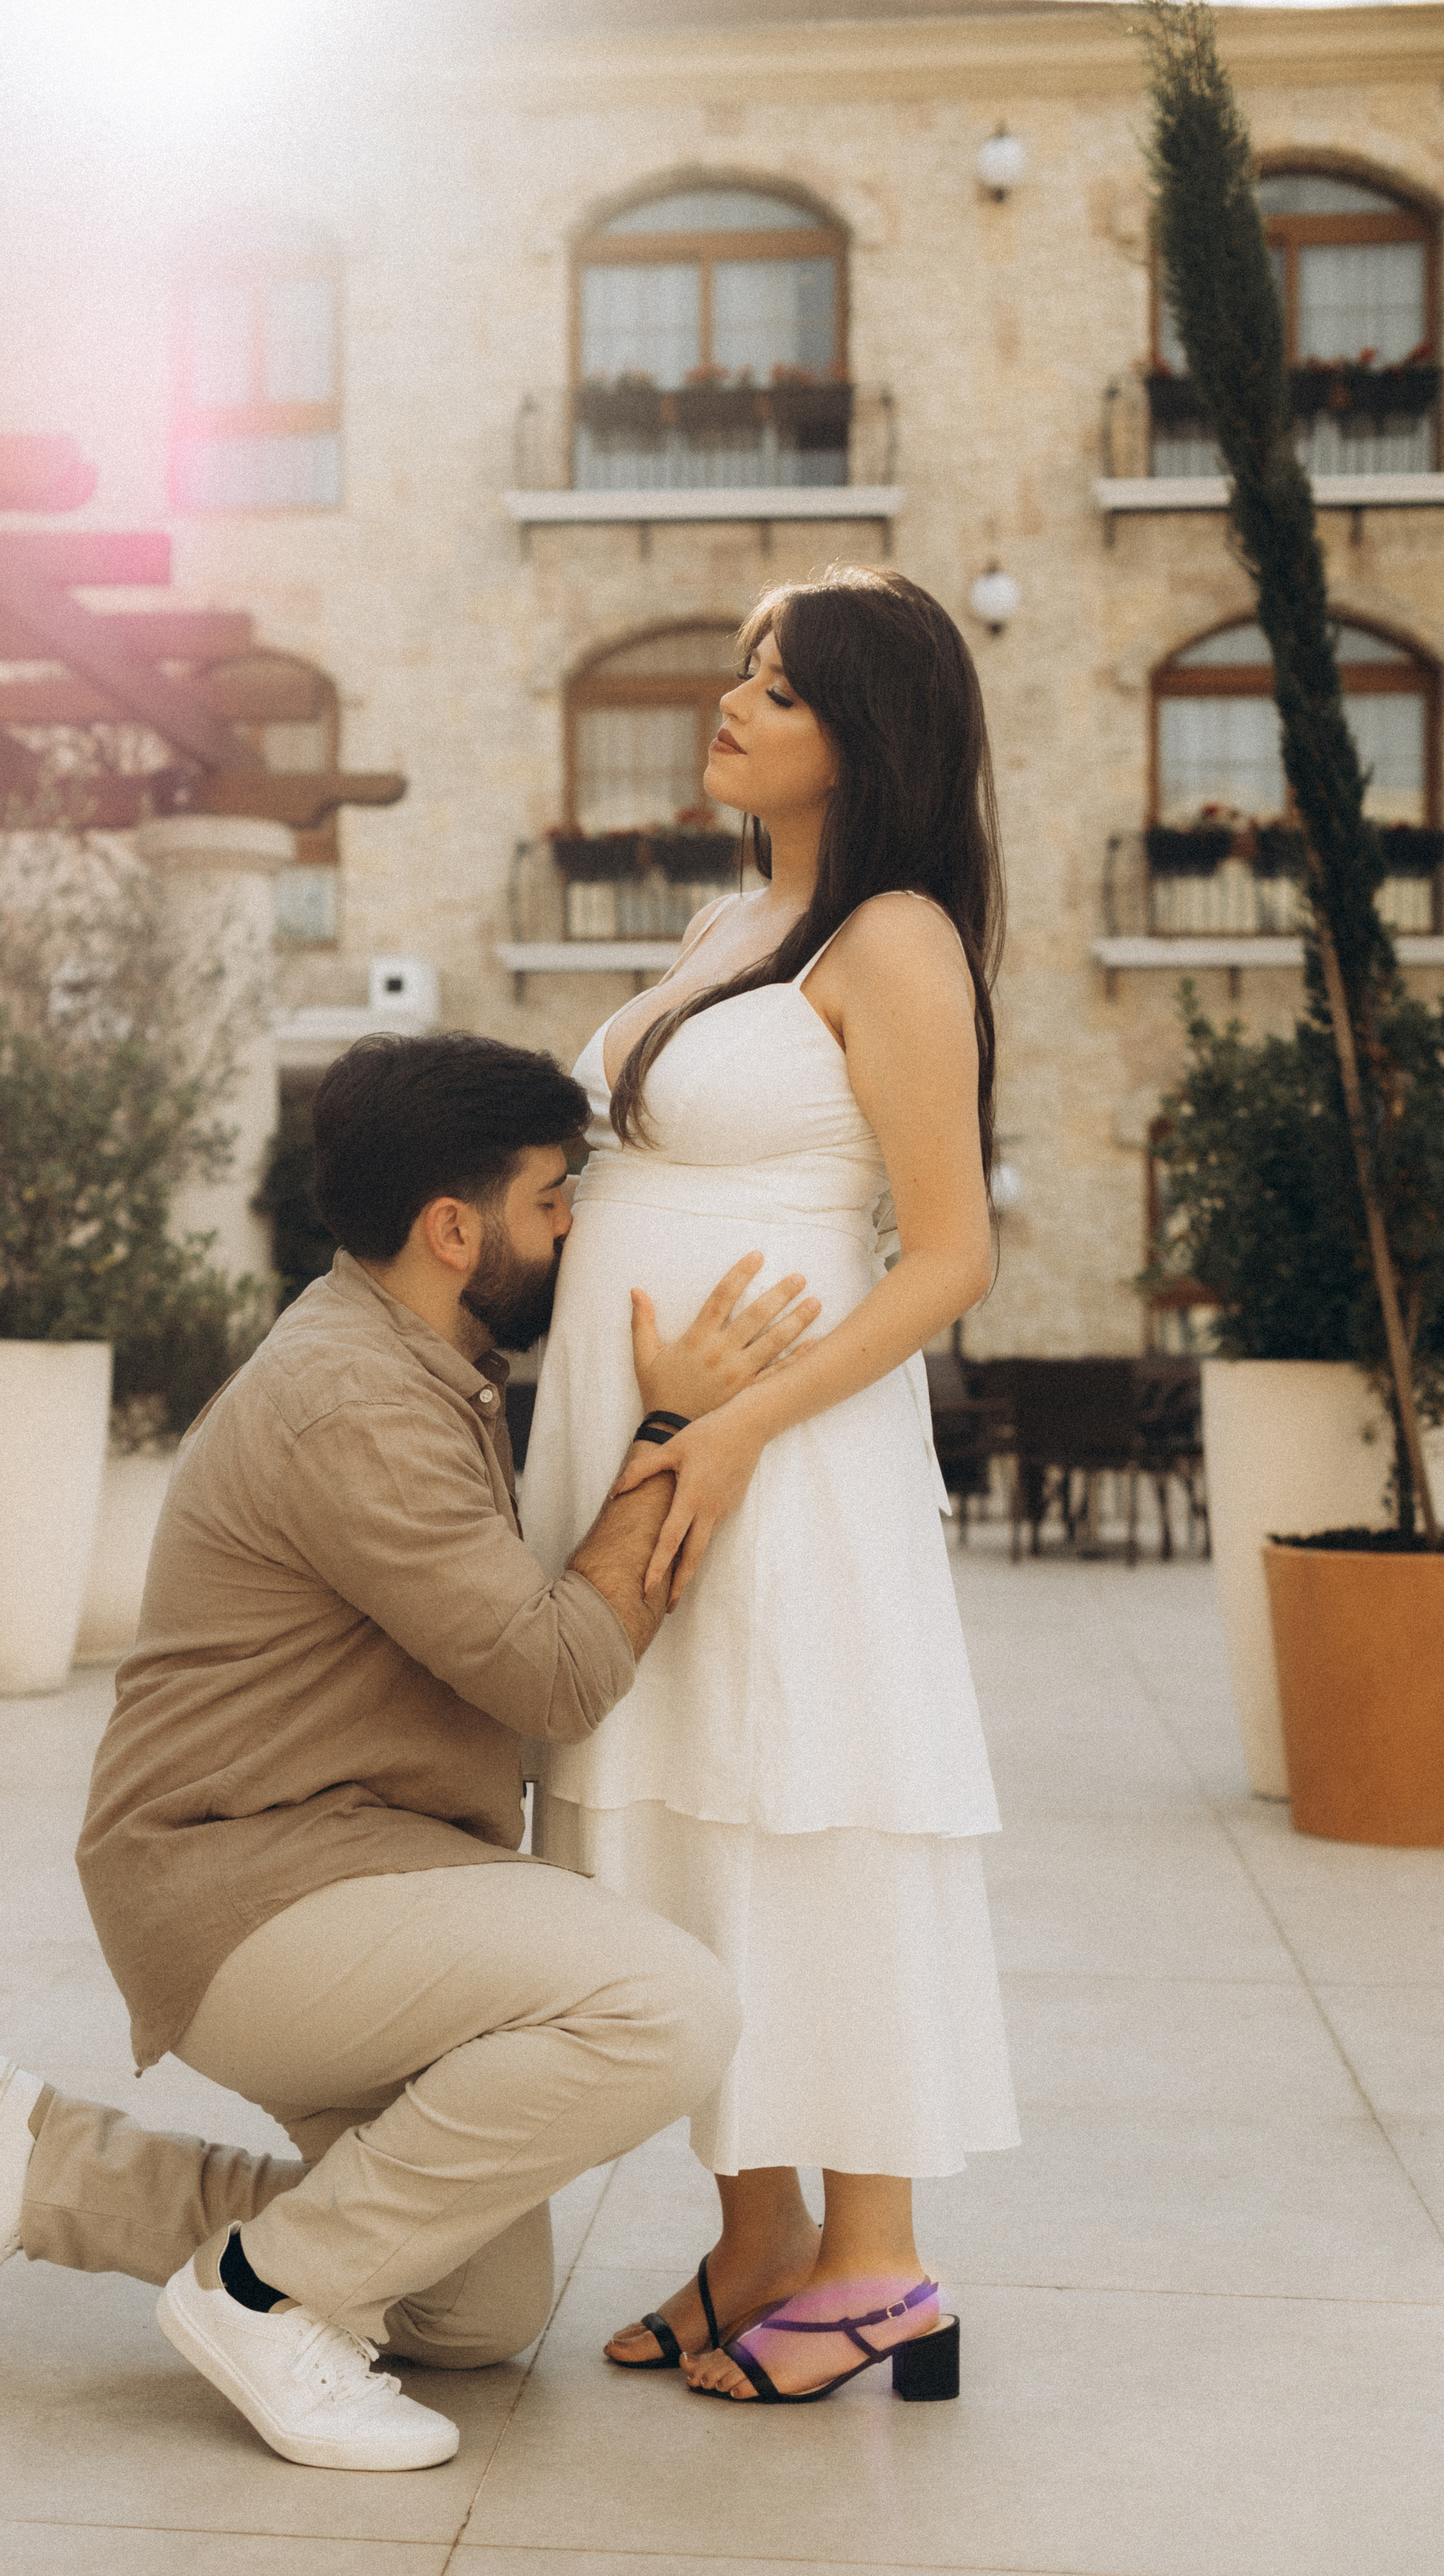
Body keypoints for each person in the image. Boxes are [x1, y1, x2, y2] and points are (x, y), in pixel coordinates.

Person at [0, 1032, 821, 2472]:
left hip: (332, 1872)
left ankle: (49, 2168)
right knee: (667, 2009)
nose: (572, 1228)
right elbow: (558, 1671)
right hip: (250, 1895)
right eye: (552, 1199)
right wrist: (680, 1426)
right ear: (454, 1230)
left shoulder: (411, 1362)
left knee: (471, 2306)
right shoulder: (355, 1401)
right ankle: (255, 2302)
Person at [520, 567, 1021, 2409]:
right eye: (740, 669)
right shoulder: (742, 913)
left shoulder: (891, 936)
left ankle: (878, 2258)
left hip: (785, 1462)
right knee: (669, 1813)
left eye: (782, 687)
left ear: (867, 736)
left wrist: (732, 1428)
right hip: (651, 1437)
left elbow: (949, 1253)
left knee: (807, 1805)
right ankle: (755, 2239)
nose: (732, 701)